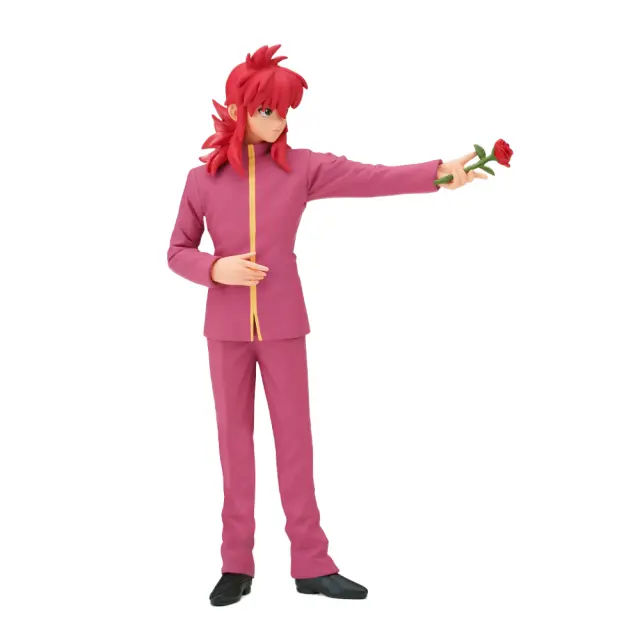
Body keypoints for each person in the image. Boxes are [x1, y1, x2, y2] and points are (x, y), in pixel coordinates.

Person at [167, 44, 486, 607]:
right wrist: (216, 268)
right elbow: (177, 251)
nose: (279, 122)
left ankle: (311, 563)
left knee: (295, 443)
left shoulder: (302, 167)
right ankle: (235, 563)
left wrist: (438, 174)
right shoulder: (202, 181)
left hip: (285, 324)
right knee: (234, 446)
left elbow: (371, 177)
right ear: (239, 110)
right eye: (268, 110)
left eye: (285, 111)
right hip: (225, 330)